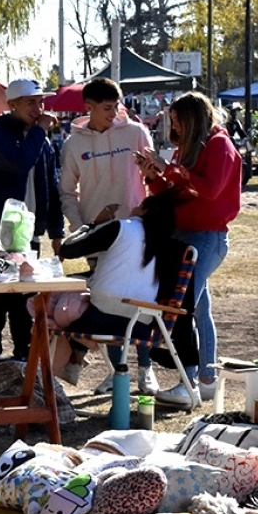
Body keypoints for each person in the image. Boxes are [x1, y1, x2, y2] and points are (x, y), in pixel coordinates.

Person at [135, 91, 241, 406]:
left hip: (207, 236)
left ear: (193, 119)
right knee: (198, 308)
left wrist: (172, 170)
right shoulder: (188, 149)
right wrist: (154, 176)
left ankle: (188, 382)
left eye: (179, 120)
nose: (174, 127)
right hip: (185, 234)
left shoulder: (220, 144)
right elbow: (176, 195)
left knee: (181, 310)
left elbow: (208, 191)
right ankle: (205, 379)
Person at [57, 77, 155, 392]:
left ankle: (146, 369)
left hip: (138, 234)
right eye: (107, 108)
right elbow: (67, 193)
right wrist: (80, 228)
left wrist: (149, 207)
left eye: (117, 106)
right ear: (89, 107)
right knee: (109, 302)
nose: (114, 113)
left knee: (141, 298)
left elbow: (154, 177)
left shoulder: (136, 133)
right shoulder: (74, 144)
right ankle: (119, 371)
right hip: (98, 236)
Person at [0, 79, 65, 361]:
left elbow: (51, 186)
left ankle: (23, 358)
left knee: (26, 298)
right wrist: (39, 131)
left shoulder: (43, 141)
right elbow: (19, 162)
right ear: (12, 105)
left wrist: (57, 232)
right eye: (31, 103)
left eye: (41, 102)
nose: (38, 109)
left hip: (30, 233)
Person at [56, 191, 181, 389]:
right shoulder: (168, 244)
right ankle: (75, 362)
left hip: (99, 320)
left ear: (144, 210)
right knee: (80, 304)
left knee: (57, 310)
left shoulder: (121, 228)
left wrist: (95, 224)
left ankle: (68, 365)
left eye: (139, 205)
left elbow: (67, 249)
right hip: (143, 325)